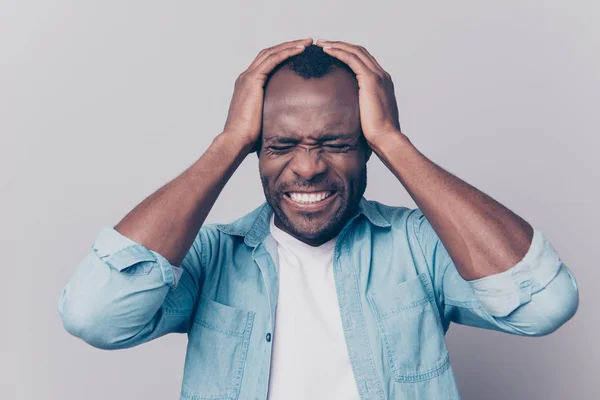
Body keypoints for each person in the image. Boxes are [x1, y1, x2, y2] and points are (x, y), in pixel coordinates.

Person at [58, 38, 579, 400]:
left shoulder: (418, 247)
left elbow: (544, 306)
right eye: (280, 146)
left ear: (366, 149)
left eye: (336, 143)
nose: (307, 167)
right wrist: (227, 143)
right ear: (255, 152)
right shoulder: (211, 256)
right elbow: (94, 315)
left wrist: (395, 141)